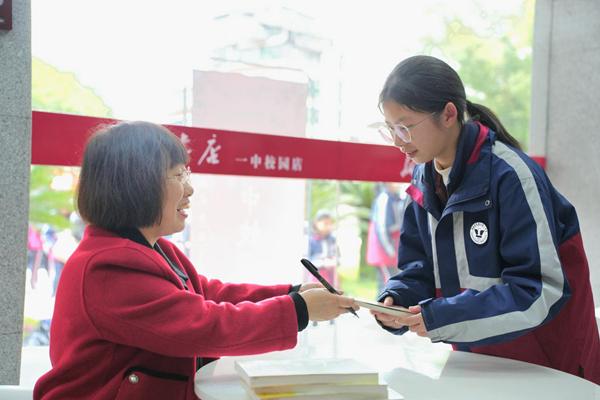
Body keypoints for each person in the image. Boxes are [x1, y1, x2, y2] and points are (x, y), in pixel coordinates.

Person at [33, 121, 358, 400]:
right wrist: (299, 308)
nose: (189, 189)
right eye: (177, 176)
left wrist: (291, 291)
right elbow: (202, 323)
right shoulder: (108, 267)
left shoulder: (150, 248)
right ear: (137, 184)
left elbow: (207, 294)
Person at [369, 55, 600, 384]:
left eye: (405, 126)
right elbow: (418, 270)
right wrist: (397, 299)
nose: (397, 140)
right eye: (390, 128)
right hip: (475, 366)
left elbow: (540, 290)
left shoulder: (512, 177)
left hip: (545, 370)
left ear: (448, 114)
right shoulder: (423, 184)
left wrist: (444, 315)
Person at [366, 182, 407, 292]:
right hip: (384, 248)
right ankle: (381, 309)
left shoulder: (395, 198)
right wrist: (390, 250)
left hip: (391, 248)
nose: (397, 184)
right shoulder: (384, 198)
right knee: (388, 283)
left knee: (389, 282)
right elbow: (382, 227)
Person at [307, 209, 339, 287]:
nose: (328, 226)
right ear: (316, 223)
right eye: (325, 223)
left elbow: (338, 257)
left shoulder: (332, 240)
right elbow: (307, 261)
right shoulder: (311, 241)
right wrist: (323, 263)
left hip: (331, 277)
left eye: (330, 224)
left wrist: (333, 261)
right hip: (316, 278)